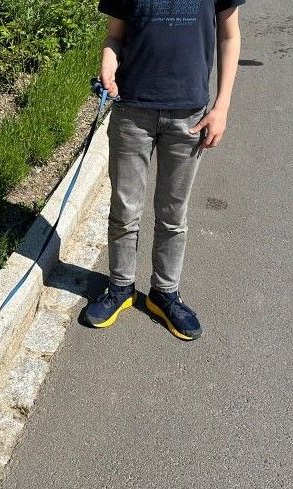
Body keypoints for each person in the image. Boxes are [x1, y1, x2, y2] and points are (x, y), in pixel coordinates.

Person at [84, 0, 244, 340]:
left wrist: (223, 106)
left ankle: (164, 293)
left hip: (189, 114)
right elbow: (115, 36)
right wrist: (108, 65)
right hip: (132, 112)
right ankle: (121, 287)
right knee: (124, 208)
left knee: (173, 212)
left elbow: (230, 35)